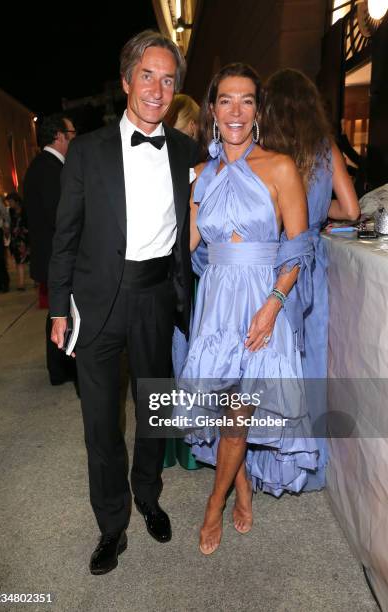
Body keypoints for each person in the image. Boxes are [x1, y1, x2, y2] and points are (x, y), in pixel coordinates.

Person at [48, 30, 198, 575]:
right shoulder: (86, 151)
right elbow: (65, 235)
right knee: (100, 422)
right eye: (147, 76)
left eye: (168, 79)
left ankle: (148, 494)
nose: (158, 89)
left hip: (157, 296)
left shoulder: (185, 151)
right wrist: (58, 307)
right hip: (96, 301)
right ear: (126, 81)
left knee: (155, 409)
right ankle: (112, 525)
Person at [177, 63, 318, 555]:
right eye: (226, 101)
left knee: (238, 413)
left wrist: (274, 304)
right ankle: (240, 487)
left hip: (263, 302)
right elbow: (182, 245)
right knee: (221, 408)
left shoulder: (280, 167)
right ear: (212, 111)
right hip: (215, 303)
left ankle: (213, 506)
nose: (236, 111)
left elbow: (298, 248)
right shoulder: (198, 176)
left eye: (247, 100)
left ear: (258, 110)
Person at [260, 69, 360, 490]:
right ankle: (311, 459)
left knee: (274, 360)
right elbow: (352, 210)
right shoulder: (325, 148)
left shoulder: (265, 151)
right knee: (312, 360)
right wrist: (320, 218)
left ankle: (272, 459)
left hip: (275, 262)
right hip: (313, 264)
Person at [23, 113, 77, 386]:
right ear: (59, 135)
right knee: (63, 313)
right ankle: (62, 369)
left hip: (48, 255)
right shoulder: (50, 169)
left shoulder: (40, 166)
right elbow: (62, 218)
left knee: (58, 312)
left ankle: (59, 369)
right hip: (56, 257)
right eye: (72, 132)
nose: (74, 137)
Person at [163, 94, 202, 471]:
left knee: (159, 360)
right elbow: (191, 234)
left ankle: (163, 450)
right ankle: (189, 448)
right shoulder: (192, 157)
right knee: (185, 357)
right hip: (183, 271)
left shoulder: (159, 156)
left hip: (156, 271)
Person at [4, 192, 30, 290]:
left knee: (30, 260)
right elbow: (10, 223)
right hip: (16, 239)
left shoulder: (25, 209)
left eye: (11, 202)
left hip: (26, 238)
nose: (9, 204)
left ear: (17, 201)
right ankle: (21, 283)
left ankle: (37, 280)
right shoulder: (10, 211)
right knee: (19, 261)